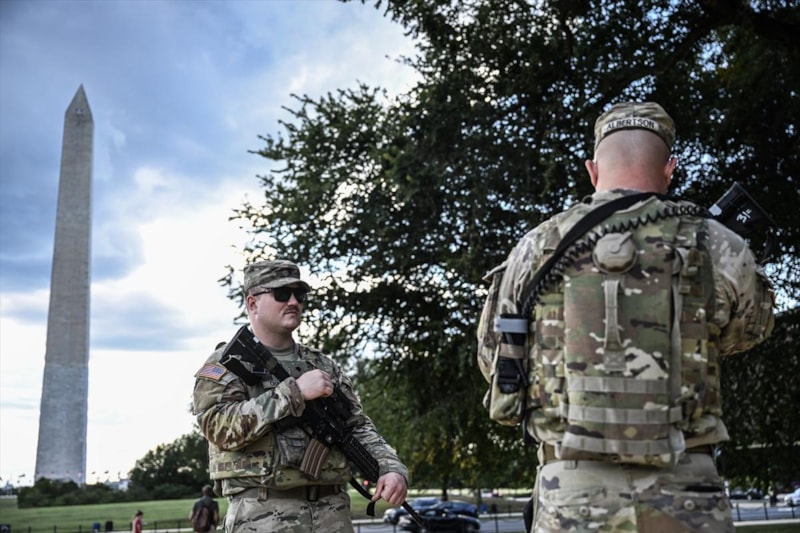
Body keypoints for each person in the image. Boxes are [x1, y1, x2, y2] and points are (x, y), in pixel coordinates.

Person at [477, 102, 775, 532]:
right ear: (670, 169)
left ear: (592, 170)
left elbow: (496, 359)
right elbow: (748, 332)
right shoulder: (718, 244)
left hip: (571, 495)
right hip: (687, 491)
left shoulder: (534, 247)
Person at [192, 259, 409, 532]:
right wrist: (294, 393)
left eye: (300, 294)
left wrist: (390, 468)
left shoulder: (323, 365)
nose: (293, 301)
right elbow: (218, 427)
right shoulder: (226, 364)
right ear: (252, 303)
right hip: (263, 517)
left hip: (333, 515)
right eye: (282, 293)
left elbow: (357, 426)